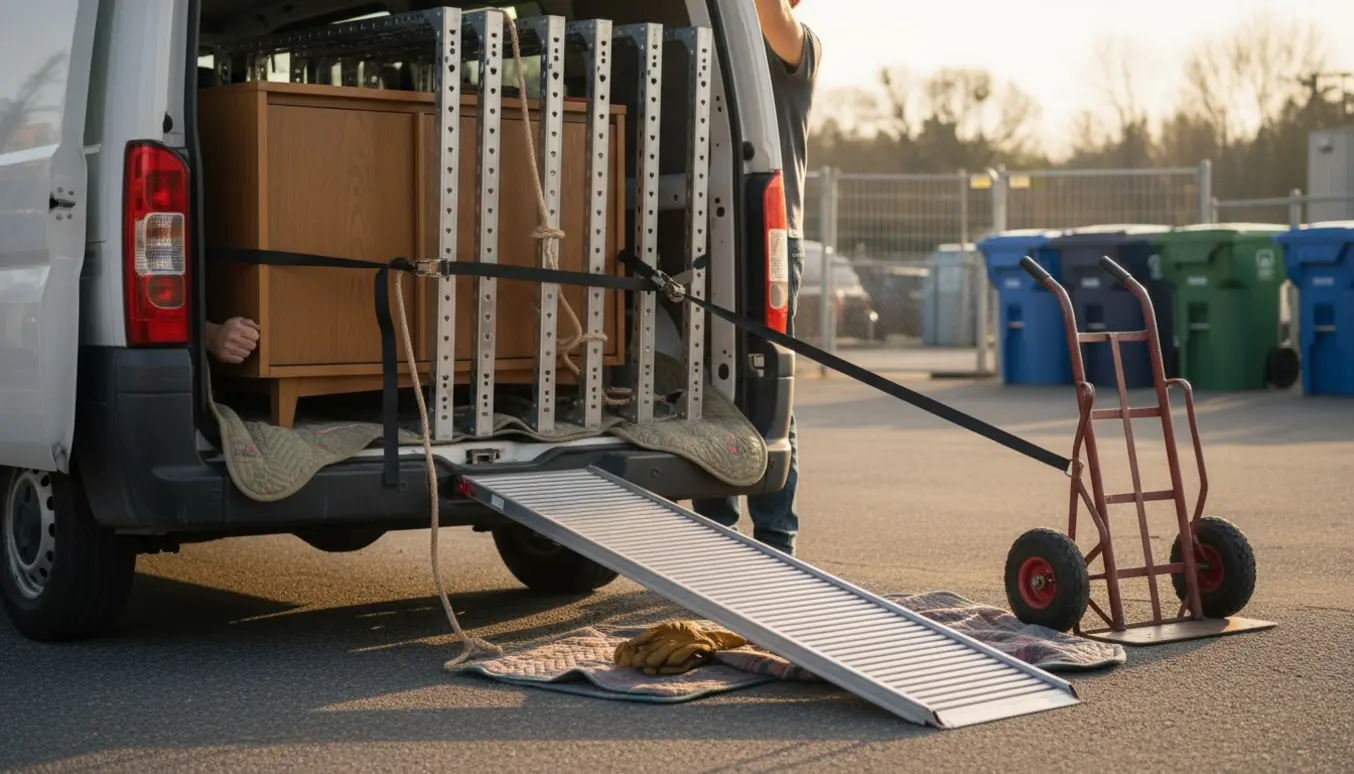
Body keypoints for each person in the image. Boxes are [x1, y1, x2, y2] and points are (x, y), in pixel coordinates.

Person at [693, 0, 820, 557]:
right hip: (712, 231)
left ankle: (776, 540)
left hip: (770, 237)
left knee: (767, 393)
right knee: (708, 391)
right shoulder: (718, 43)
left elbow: (767, 11)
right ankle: (715, 535)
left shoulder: (797, 46)